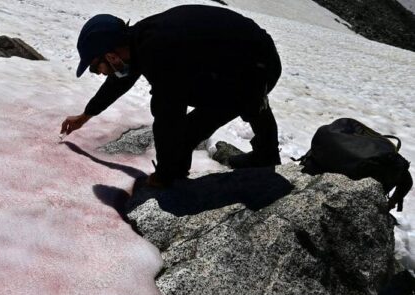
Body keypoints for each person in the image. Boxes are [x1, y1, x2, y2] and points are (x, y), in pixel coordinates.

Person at [60, 5, 283, 187]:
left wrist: (165, 174)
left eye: (94, 66)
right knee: (211, 98)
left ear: (111, 56)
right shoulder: (139, 39)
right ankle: (265, 149)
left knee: (186, 130)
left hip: (258, 64)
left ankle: (265, 154)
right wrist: (85, 115)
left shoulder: (158, 52)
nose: (98, 72)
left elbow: (168, 115)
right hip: (248, 56)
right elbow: (119, 82)